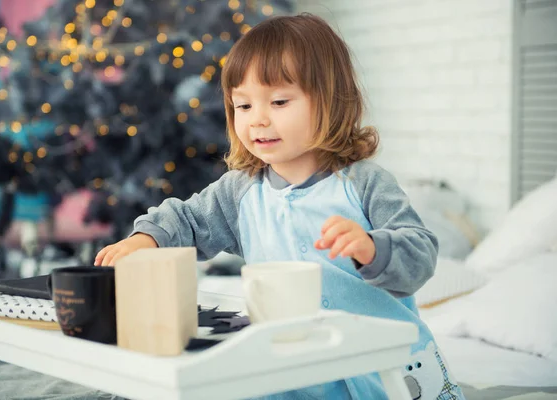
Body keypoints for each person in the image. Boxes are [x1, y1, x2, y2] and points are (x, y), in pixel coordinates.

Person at [95, 13, 464, 400]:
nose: (259, 120)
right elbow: (185, 219)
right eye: (243, 106)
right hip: (294, 379)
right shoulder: (240, 192)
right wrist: (145, 240)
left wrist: (372, 249)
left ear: (330, 101)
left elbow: (420, 254)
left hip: (383, 377)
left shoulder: (365, 184)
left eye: (279, 101)